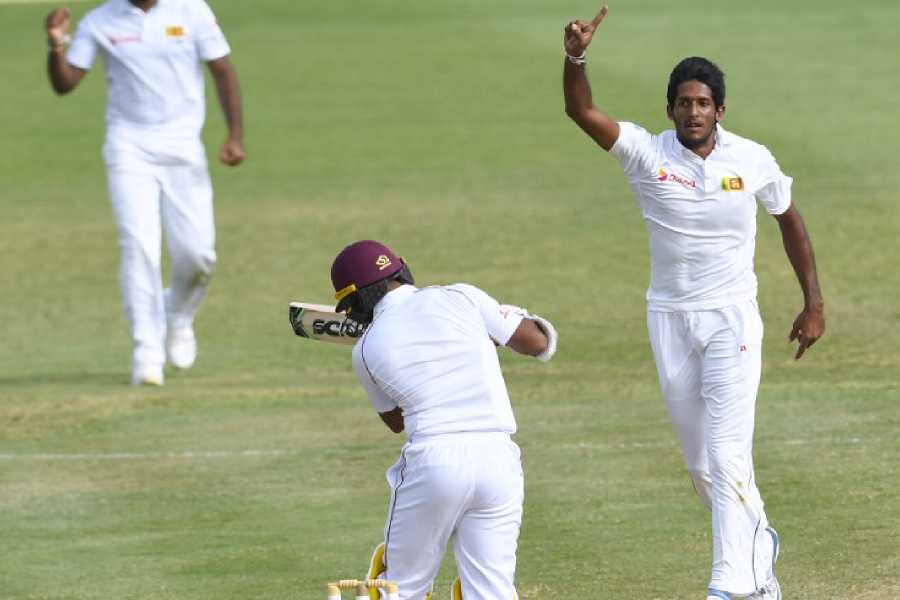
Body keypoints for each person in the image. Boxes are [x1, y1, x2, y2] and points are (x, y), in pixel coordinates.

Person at [562, 6, 824, 600]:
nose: (694, 112)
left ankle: (728, 584)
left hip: (733, 318)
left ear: (720, 110)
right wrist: (576, 57)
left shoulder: (751, 158)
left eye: (703, 103)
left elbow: (789, 220)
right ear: (670, 110)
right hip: (669, 319)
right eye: (684, 103)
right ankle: (760, 551)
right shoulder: (646, 153)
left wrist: (813, 302)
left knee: (728, 453)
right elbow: (582, 111)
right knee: (702, 464)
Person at [329, 240, 558, 600]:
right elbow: (538, 342)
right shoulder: (463, 297)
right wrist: (494, 326)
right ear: (402, 271)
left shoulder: (365, 351)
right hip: (498, 460)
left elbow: (395, 421)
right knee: (492, 591)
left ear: (356, 302)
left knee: (402, 587)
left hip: (433, 463)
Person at [44, 0, 245, 385]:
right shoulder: (100, 21)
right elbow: (65, 83)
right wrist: (56, 43)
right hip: (129, 147)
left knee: (198, 254)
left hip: (183, 146)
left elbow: (222, 69)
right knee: (138, 246)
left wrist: (234, 136)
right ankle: (146, 351)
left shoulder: (192, 11)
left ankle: (177, 315)